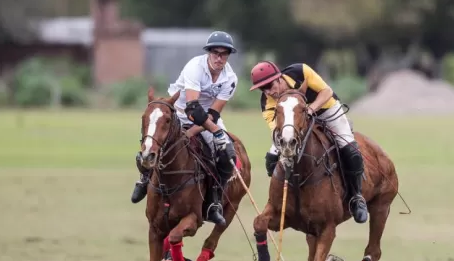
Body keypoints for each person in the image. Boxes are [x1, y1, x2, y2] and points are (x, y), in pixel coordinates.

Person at [131, 31, 239, 226]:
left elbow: (212, 115)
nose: (219, 57)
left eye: (224, 54)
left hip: (207, 119)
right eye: (215, 52)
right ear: (208, 52)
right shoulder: (195, 67)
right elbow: (193, 109)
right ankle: (144, 178)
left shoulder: (230, 78)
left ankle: (214, 202)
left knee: (225, 154)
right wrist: (211, 131)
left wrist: (194, 133)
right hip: (178, 112)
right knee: (154, 141)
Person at [249, 61, 368, 224]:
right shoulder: (267, 103)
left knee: (350, 151)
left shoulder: (300, 71)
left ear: (279, 78)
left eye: (269, 86)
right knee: (271, 159)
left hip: (326, 110)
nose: (269, 92)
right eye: (263, 89)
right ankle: (280, 200)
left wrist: (310, 110)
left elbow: (327, 92)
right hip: (293, 124)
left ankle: (356, 197)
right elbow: (276, 131)